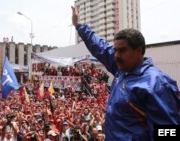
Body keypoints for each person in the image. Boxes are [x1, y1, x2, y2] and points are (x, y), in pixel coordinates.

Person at [71, 6, 180, 141]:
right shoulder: (121, 68)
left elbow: (168, 132)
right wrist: (79, 26)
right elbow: (99, 47)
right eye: (115, 50)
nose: (116, 55)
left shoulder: (157, 85)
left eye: (122, 50)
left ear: (139, 50)